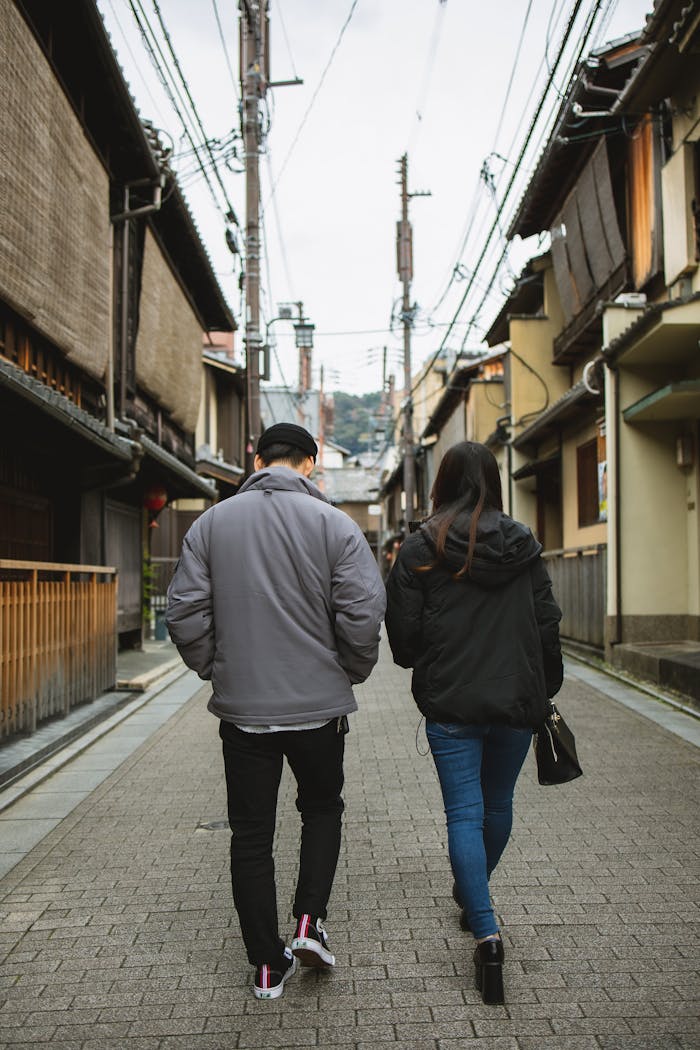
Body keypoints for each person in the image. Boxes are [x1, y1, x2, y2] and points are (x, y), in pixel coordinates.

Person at [166, 422, 385, 1000]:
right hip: (319, 707)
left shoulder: (211, 524)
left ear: (257, 460)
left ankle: (267, 964)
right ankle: (310, 924)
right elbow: (363, 613)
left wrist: (216, 667)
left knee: (251, 833)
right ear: (310, 465)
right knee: (322, 809)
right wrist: (351, 670)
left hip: (242, 711)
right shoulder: (337, 526)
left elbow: (184, 613)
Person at [384, 441, 562, 1005]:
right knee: (498, 806)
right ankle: (476, 901)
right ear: (493, 480)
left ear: (442, 483)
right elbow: (547, 623)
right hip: (515, 701)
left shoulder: (419, 547)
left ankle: (486, 934)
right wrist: (543, 689)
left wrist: (427, 661)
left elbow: (405, 641)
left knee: (463, 812)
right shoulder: (523, 544)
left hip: (452, 703)